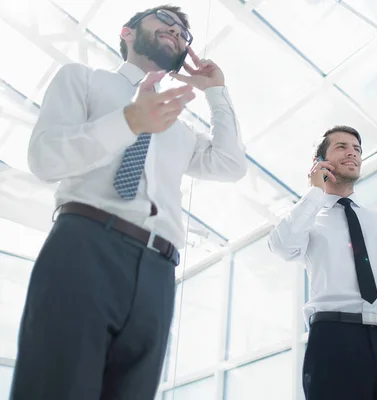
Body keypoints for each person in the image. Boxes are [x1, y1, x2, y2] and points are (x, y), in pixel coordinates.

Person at [10, 5, 246, 399]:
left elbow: (231, 163)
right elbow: (45, 158)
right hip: (85, 247)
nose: (177, 31)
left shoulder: (179, 126)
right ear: (127, 33)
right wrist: (130, 122)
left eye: (184, 33)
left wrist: (216, 93)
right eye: (165, 22)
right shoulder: (82, 80)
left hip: (158, 273)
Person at [268, 126, 377, 400]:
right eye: (341, 146)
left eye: (357, 149)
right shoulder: (307, 219)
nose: (352, 152)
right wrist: (314, 193)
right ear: (319, 162)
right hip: (334, 342)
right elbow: (281, 246)